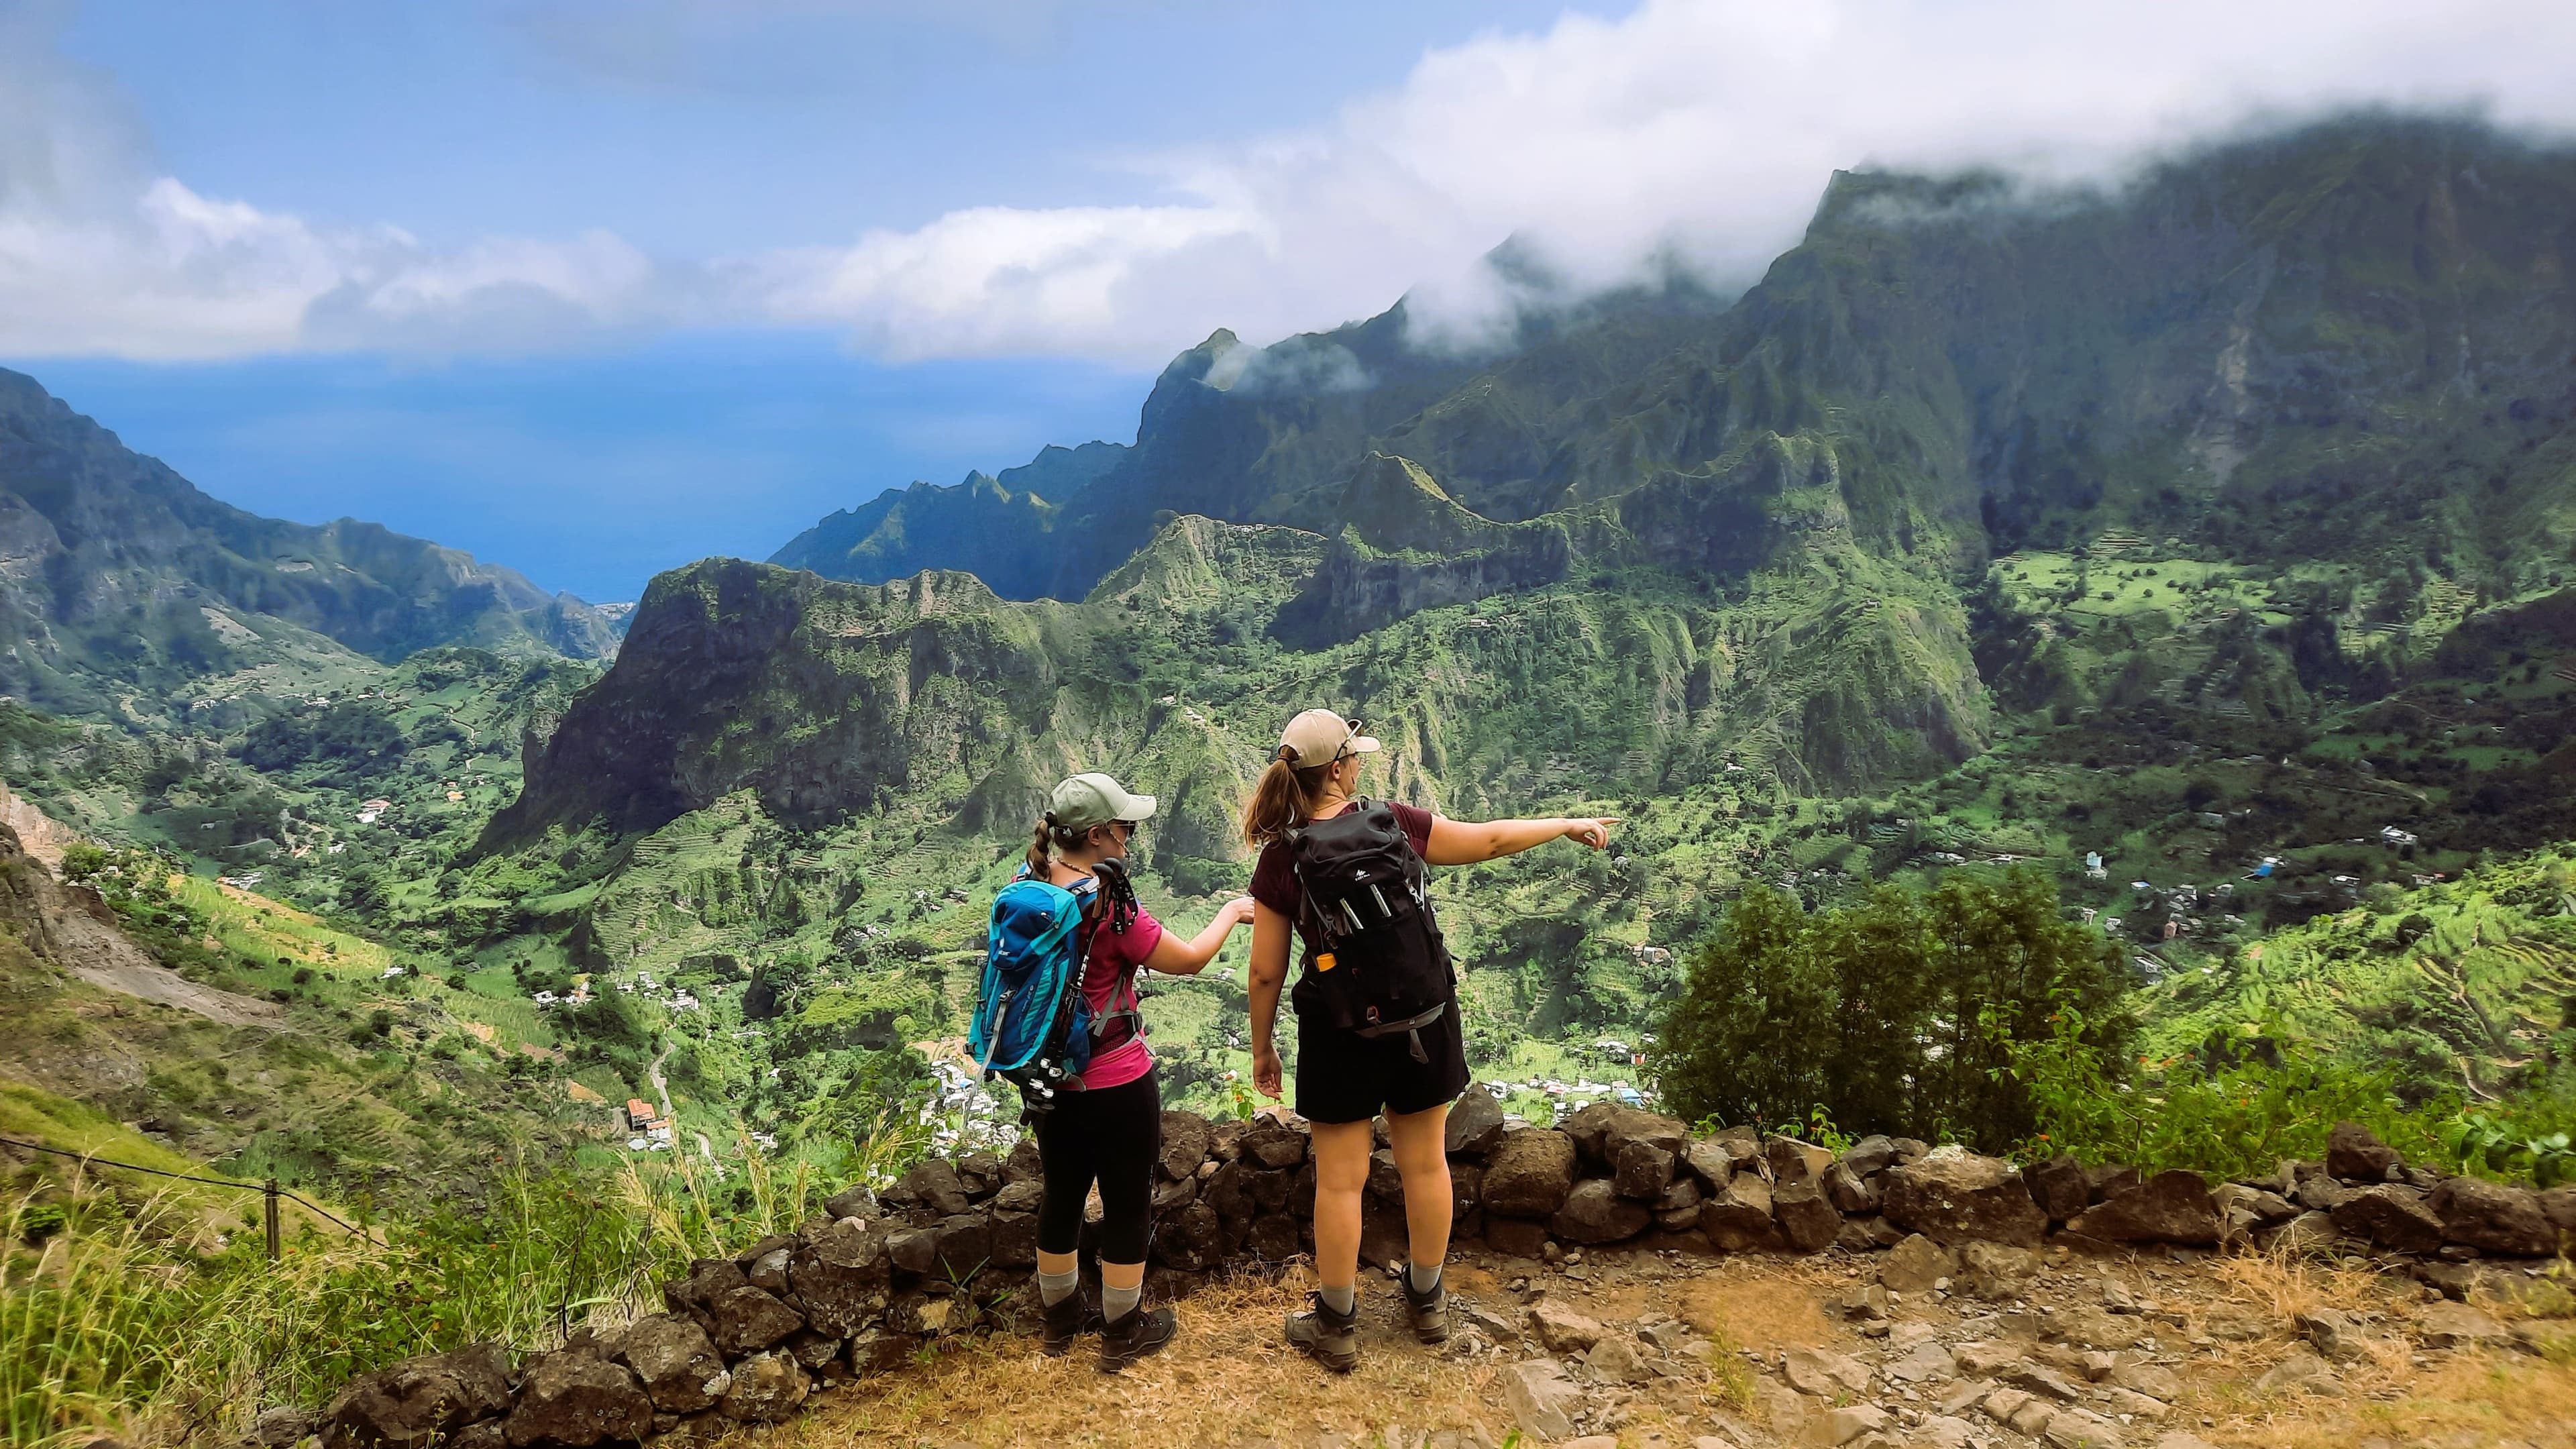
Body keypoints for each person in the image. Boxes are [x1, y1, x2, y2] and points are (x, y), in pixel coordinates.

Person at [1241, 710, 1615, 1371]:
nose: (1359, 764)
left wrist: (1263, 1047)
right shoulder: (1396, 824)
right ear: (1338, 770)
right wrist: (1564, 825)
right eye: (1354, 756)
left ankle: (1336, 1323)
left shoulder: (1282, 858)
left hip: (1339, 1031)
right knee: (1425, 1166)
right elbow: (1493, 840)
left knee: (1340, 1181)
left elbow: (1266, 970)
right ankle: (1428, 1300)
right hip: (1423, 1022)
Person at [1023, 771, 1256, 1371]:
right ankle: (1123, 1330)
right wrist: (1231, 912)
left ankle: (1060, 1322)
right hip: (1115, 1079)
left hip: (1049, 1082)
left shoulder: (1028, 886)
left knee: (1063, 1196)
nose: (1131, 835)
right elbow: (1190, 961)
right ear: (1099, 835)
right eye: (1125, 826)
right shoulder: (1111, 905)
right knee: (1128, 1204)